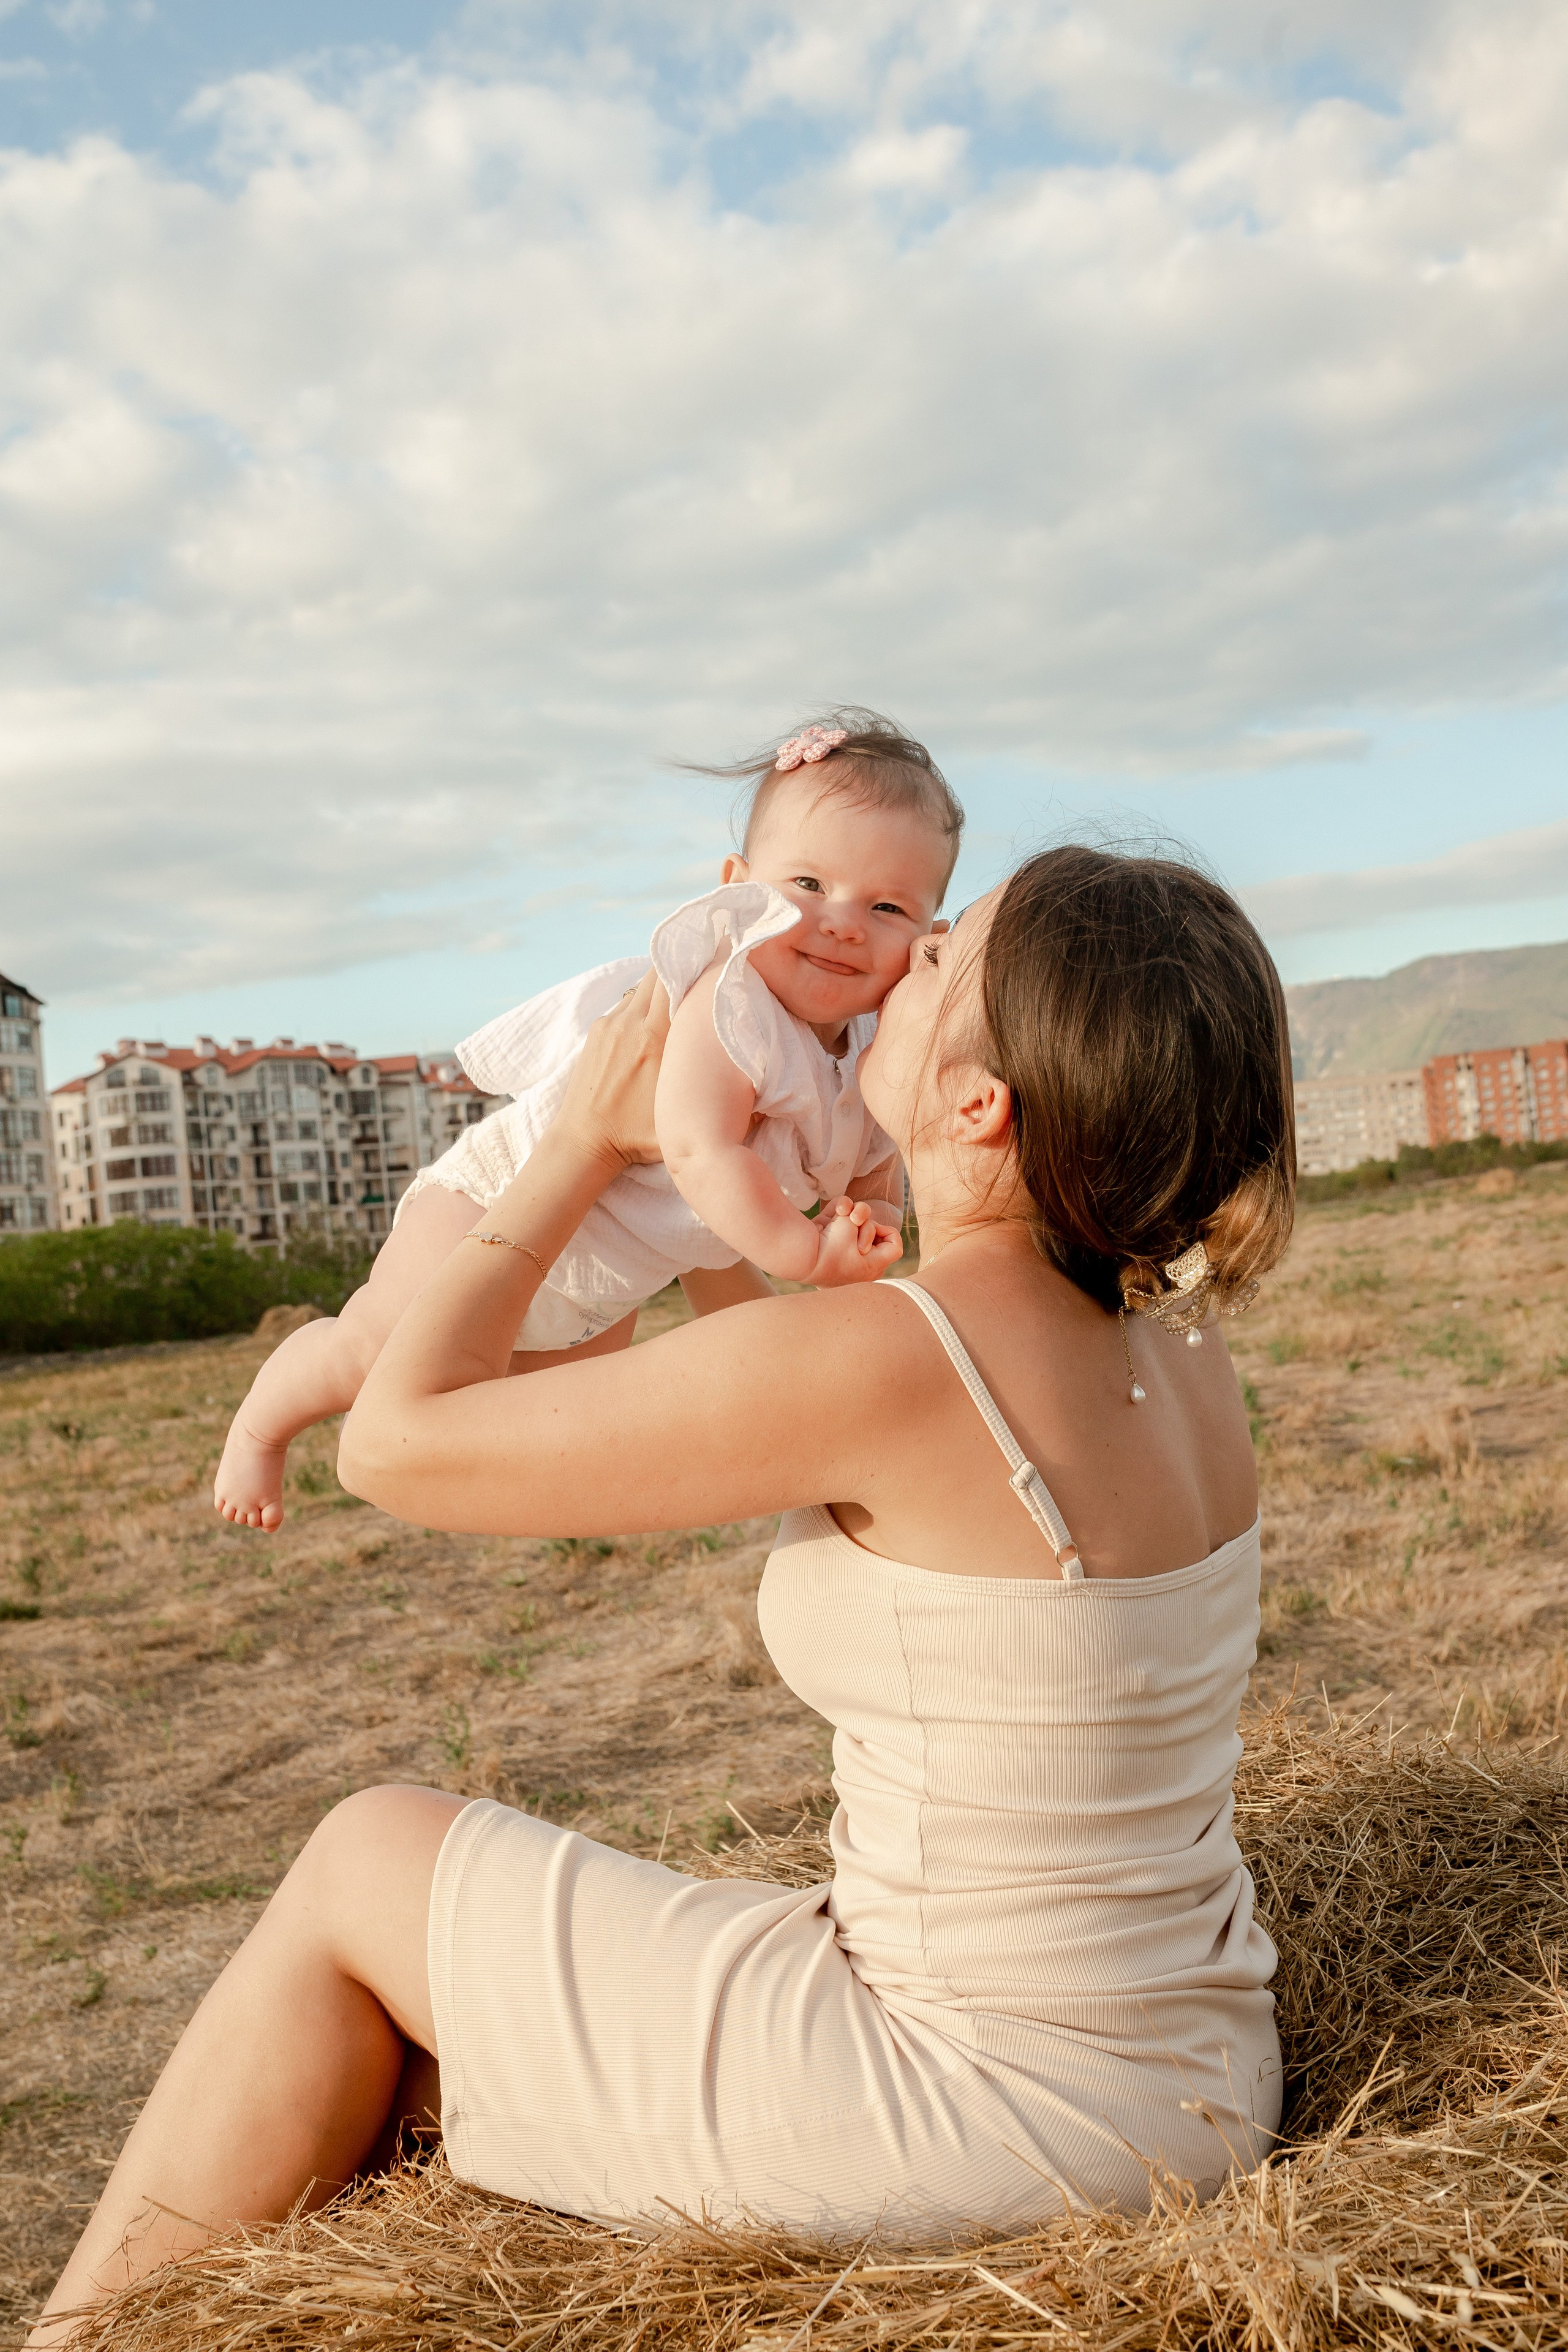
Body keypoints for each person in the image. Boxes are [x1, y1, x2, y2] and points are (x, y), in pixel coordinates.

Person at [32, 843, 1294, 2342]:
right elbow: (763, 1369)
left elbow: (393, 1443)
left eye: (944, 951)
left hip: (999, 2111)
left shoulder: (900, 1355)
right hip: (1192, 2068)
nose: (905, 953)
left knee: (366, 1854)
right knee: (405, 2053)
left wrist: (574, 1142)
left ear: (979, 1107)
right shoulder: (1182, 1357)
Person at [213, 712, 960, 1531]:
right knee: (375, 1350)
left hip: (611, 1276)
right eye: (809, 886)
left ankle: (399, 1449)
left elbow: (874, 1164)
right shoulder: (730, 999)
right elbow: (698, 1146)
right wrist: (808, 1253)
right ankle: (265, 1422)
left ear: (928, 934)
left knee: (527, 1409)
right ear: (736, 890)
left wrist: (876, 1220)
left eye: (887, 906)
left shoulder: (872, 1050)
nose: (843, 920)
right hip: (500, 1205)